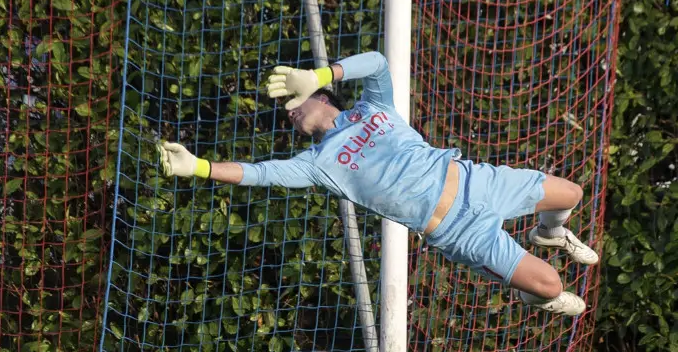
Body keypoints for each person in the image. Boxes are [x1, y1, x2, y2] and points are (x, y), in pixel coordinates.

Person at [157, 51, 596, 317]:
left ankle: (549, 233)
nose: (289, 110)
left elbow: (379, 64)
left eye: (295, 100)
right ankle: (537, 296)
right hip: (459, 232)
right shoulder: (318, 164)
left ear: (323, 98)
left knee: (571, 193)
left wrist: (319, 73)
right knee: (551, 287)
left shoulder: (374, 107)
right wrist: (199, 166)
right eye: (286, 112)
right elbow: (261, 173)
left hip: (477, 183)